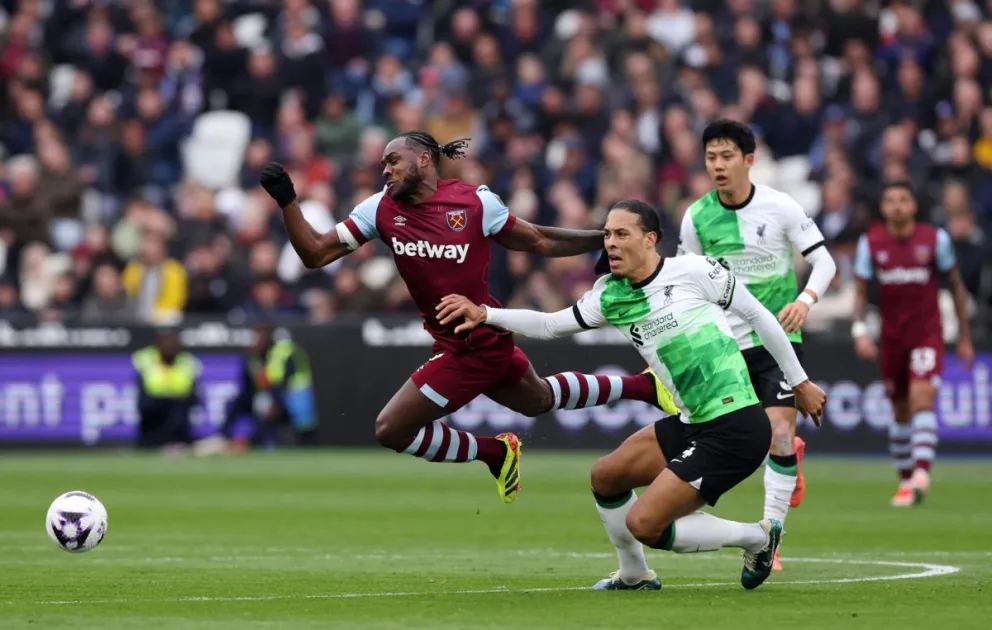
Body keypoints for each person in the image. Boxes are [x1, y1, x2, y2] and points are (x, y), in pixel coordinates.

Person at [259, 132, 677, 504]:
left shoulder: (474, 202)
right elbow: (315, 253)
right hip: (465, 339)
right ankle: (642, 385)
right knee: (538, 400)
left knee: (391, 429)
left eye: (392, 161)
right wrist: (288, 202)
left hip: (473, 342)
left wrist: (601, 239)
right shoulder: (381, 209)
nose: (384, 170)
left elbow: (538, 239)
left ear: (423, 160)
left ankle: (495, 453)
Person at [436, 200, 826, 592]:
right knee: (606, 477)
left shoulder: (695, 271)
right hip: (693, 422)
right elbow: (551, 325)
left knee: (644, 524)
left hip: (737, 426)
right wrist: (487, 314)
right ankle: (634, 575)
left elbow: (760, 318)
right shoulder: (610, 295)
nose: (611, 243)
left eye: (622, 234)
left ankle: (758, 538)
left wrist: (800, 382)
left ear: (650, 239)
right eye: (607, 234)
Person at [676, 119, 837, 571]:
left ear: (749, 160)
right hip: (722, 344)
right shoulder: (696, 217)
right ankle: (787, 463)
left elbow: (824, 262)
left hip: (778, 339)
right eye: (711, 157)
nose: (718, 165)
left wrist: (805, 300)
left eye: (727, 156)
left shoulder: (780, 207)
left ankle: (771, 538)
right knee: (746, 437)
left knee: (780, 434)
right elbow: (686, 280)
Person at [852, 182, 974, 506]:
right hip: (891, 339)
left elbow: (955, 286)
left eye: (903, 199)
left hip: (926, 334)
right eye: (890, 200)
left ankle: (921, 473)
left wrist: (964, 336)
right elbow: (861, 292)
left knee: (922, 399)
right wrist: (860, 330)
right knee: (900, 411)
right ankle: (906, 481)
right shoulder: (871, 243)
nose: (896, 206)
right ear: (882, 207)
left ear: (913, 206)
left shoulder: (935, 240)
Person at [194, 324, 318, 455]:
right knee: (239, 404)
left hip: (291, 394)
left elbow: (282, 382)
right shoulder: (254, 358)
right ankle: (226, 438)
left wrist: (276, 403)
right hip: (271, 394)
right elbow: (250, 386)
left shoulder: (281, 353)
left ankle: (276, 443)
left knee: (279, 413)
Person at [132, 329, 202, 455]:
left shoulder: (188, 362)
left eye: (173, 343)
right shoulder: (144, 360)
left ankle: (177, 444)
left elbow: (195, 398)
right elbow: (143, 402)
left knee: (179, 410)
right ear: (158, 345)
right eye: (166, 343)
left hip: (177, 422)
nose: (169, 347)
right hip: (153, 420)